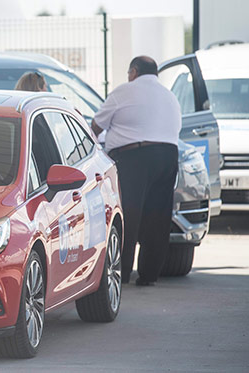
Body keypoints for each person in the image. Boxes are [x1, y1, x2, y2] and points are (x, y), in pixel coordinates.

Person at [90, 56, 181, 286]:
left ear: (134, 71)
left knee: (128, 214)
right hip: (168, 157)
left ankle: (122, 271)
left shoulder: (124, 92)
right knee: (158, 216)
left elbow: (96, 126)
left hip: (134, 158)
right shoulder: (169, 96)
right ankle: (149, 274)